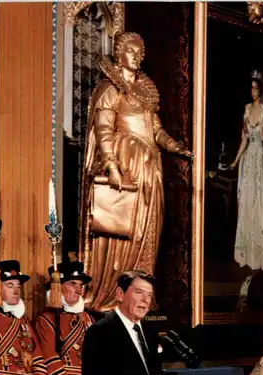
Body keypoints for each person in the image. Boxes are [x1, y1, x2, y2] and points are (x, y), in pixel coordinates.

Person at [79, 31, 192, 311]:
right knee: (122, 233)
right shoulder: (110, 89)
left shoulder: (144, 91)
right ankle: (112, 294)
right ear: (119, 54)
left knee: (146, 232)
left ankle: (139, 298)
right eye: (131, 51)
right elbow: (103, 130)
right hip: (126, 169)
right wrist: (111, 165)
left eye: (140, 52)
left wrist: (174, 146)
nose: (137, 56)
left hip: (149, 172)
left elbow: (155, 130)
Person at [231, 70, 263, 271]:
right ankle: (247, 251)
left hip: (260, 159)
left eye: (256, 88)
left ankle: (261, 253)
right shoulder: (246, 110)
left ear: (261, 90)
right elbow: (244, 139)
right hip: (249, 160)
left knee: (260, 201)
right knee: (248, 201)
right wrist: (235, 160)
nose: (253, 92)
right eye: (251, 88)